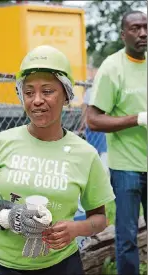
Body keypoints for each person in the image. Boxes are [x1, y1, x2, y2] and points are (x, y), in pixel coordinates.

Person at [0, 45, 115, 275]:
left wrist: (75, 228)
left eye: (47, 91)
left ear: (66, 95)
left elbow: (99, 219)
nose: (37, 100)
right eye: (28, 92)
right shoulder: (0, 142)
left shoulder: (85, 154)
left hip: (61, 266)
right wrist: (5, 217)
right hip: (1, 265)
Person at [87, 11, 147, 275]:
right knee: (126, 238)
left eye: (146, 27)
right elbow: (93, 120)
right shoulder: (112, 67)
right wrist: (138, 118)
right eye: (135, 28)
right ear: (123, 34)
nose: (143, 33)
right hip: (127, 169)